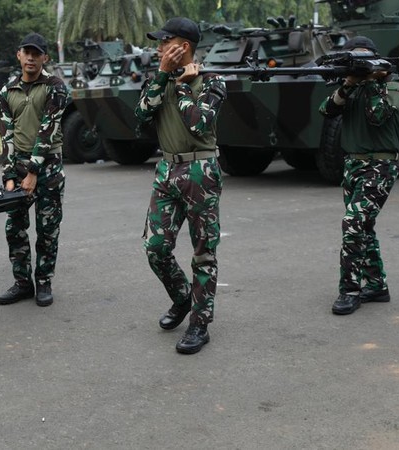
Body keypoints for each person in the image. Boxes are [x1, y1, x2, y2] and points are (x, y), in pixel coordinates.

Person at [135, 18, 227, 354]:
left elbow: (199, 124)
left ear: (183, 46)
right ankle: (182, 298)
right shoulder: (158, 79)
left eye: (164, 42)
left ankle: (200, 324)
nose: (158, 48)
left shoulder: (213, 81)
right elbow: (141, 117)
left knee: (203, 253)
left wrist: (186, 85)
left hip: (201, 170)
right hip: (166, 170)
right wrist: (163, 75)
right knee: (155, 248)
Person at [319, 35, 399, 315]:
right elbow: (327, 110)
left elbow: (377, 116)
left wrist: (372, 81)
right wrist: (349, 84)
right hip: (353, 165)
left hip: (381, 165)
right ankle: (377, 286)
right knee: (363, 227)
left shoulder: (392, 85)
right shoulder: (351, 88)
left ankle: (350, 290)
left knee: (353, 223)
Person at [0, 32, 68, 307]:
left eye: (36, 53)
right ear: (19, 55)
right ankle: (23, 283)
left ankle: (44, 281)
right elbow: (6, 136)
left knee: (48, 229)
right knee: (14, 227)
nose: (31, 57)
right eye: (27, 52)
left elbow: (48, 130)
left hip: (47, 167)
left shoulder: (55, 87)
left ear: (44, 58)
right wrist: (10, 176)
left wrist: (34, 172)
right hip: (19, 166)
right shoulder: (7, 91)